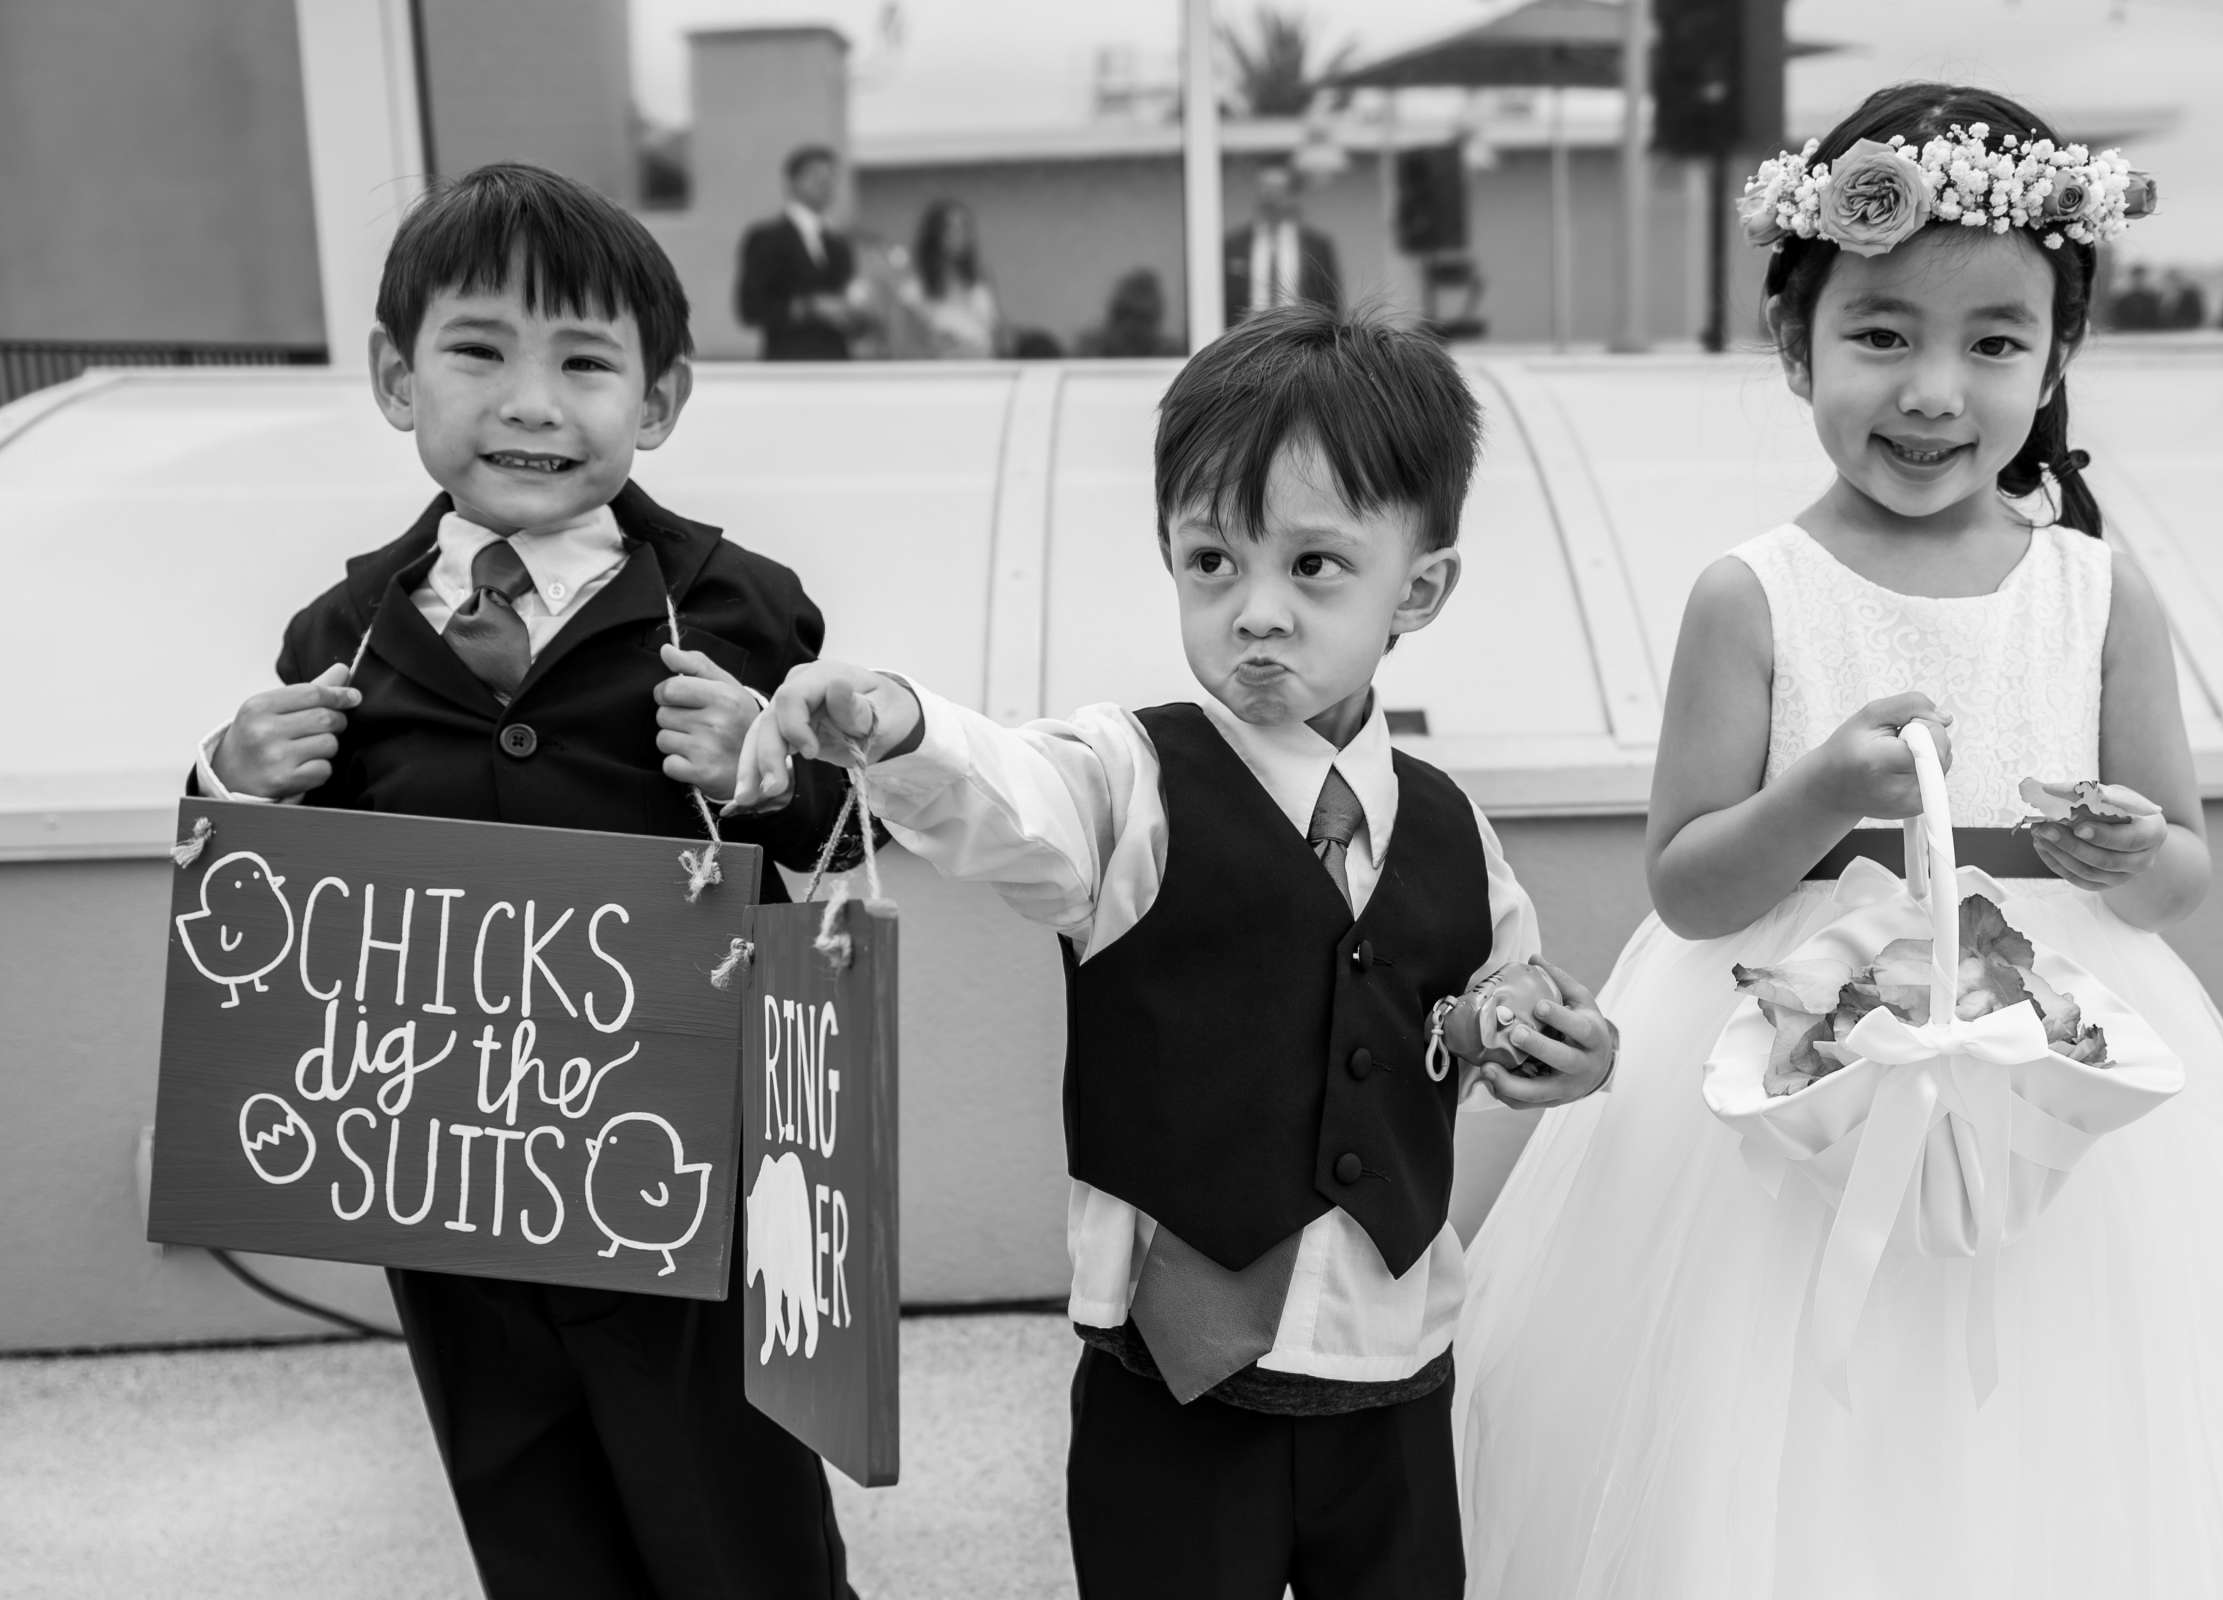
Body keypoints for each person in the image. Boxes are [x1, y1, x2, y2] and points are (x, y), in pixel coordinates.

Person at [1453, 83, 2223, 1598]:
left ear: (2059, 356)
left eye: (1995, 343)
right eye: (1882, 335)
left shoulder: (2097, 591)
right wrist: (1824, 795)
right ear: (1793, 345)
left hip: (2058, 1058)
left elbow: (2183, 872)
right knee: (1776, 1421)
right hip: (1774, 1069)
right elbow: (1687, 888)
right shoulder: (1748, 595)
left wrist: (2125, 849)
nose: (1935, 391)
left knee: (2054, 1424)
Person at [734, 304, 1620, 1600]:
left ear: (1417, 589)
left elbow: (1488, 994)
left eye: (1314, 567)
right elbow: (1007, 791)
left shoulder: (1451, 824)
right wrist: (888, 718)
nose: (1255, 613)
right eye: (1212, 561)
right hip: (1178, 1385)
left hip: (1395, 1365)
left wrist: (1552, 1043)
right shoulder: (1130, 780)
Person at [193, 162, 860, 1600]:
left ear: (660, 401)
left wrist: (771, 771)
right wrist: (228, 786)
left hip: (688, 1178)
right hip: (455, 1188)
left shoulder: (743, 606)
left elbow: (844, 857)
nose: (531, 403)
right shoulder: (345, 629)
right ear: (395, 376)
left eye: (585, 362)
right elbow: (286, 921)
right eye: (479, 351)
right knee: (531, 1508)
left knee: (735, 1515)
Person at [735, 144, 864, 361]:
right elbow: (750, 308)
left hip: (837, 361)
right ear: (792, 181)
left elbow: (850, 305)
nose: (825, 183)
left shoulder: (838, 243)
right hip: (789, 361)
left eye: (831, 176)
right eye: (815, 175)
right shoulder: (767, 238)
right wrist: (811, 307)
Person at [1223, 163, 1341, 323]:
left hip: (1300, 338)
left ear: (1292, 196)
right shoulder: (1233, 245)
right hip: (1245, 339)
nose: (1270, 197)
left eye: (1277, 190)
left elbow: (1331, 304)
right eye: (1265, 189)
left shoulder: (1317, 247)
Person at [893, 199, 1005, 359]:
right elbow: (903, 348)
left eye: (964, 227)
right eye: (952, 228)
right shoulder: (914, 291)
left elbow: (1000, 333)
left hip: (987, 365)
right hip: (944, 373)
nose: (960, 236)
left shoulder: (980, 281)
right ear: (936, 234)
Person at [1073, 267, 1180, 358]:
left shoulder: (1169, 356)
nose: (1131, 326)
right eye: (1124, 314)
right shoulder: (1090, 351)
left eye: (1141, 317)